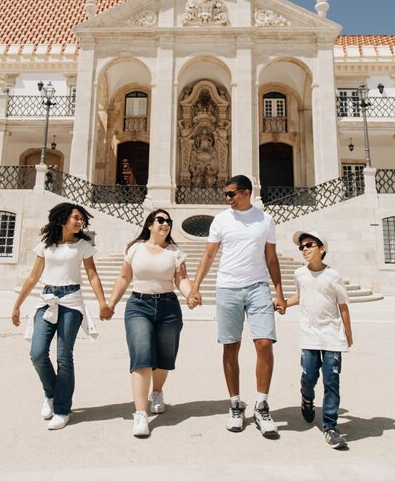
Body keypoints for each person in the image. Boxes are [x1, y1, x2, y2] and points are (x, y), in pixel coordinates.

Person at [189, 174, 285, 437]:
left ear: (246, 193)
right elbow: (209, 255)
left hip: (258, 287)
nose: (227, 198)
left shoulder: (265, 220)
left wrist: (279, 292)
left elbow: (271, 258)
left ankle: (262, 404)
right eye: (226, 194)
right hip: (228, 287)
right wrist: (195, 287)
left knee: (264, 343)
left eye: (231, 193)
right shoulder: (221, 220)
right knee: (231, 346)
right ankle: (235, 404)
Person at [11, 202, 112, 430]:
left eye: (81, 219)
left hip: (71, 301)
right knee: (37, 353)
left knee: (64, 357)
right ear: (63, 219)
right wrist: (17, 305)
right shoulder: (46, 245)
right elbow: (33, 277)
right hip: (46, 299)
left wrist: (102, 303)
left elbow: (93, 275)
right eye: (76, 218)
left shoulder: (83, 246)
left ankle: (62, 409)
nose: (79, 222)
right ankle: (51, 393)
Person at [107, 208, 193, 438]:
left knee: (165, 358)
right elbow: (124, 277)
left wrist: (190, 295)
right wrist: (112, 303)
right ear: (149, 225)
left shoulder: (175, 251)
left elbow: (181, 279)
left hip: (168, 306)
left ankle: (157, 391)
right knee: (141, 357)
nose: (165, 224)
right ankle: (140, 413)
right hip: (138, 305)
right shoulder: (135, 249)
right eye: (161, 220)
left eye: (169, 221)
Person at [282, 230, 353, 449]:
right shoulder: (299, 274)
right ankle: (307, 397)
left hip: (332, 335)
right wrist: (284, 303)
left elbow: (342, 305)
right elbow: (302, 296)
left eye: (309, 245)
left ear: (322, 249)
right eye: (301, 247)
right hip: (310, 335)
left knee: (331, 381)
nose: (304, 249)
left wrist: (348, 334)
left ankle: (330, 426)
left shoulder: (333, 275)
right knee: (309, 376)